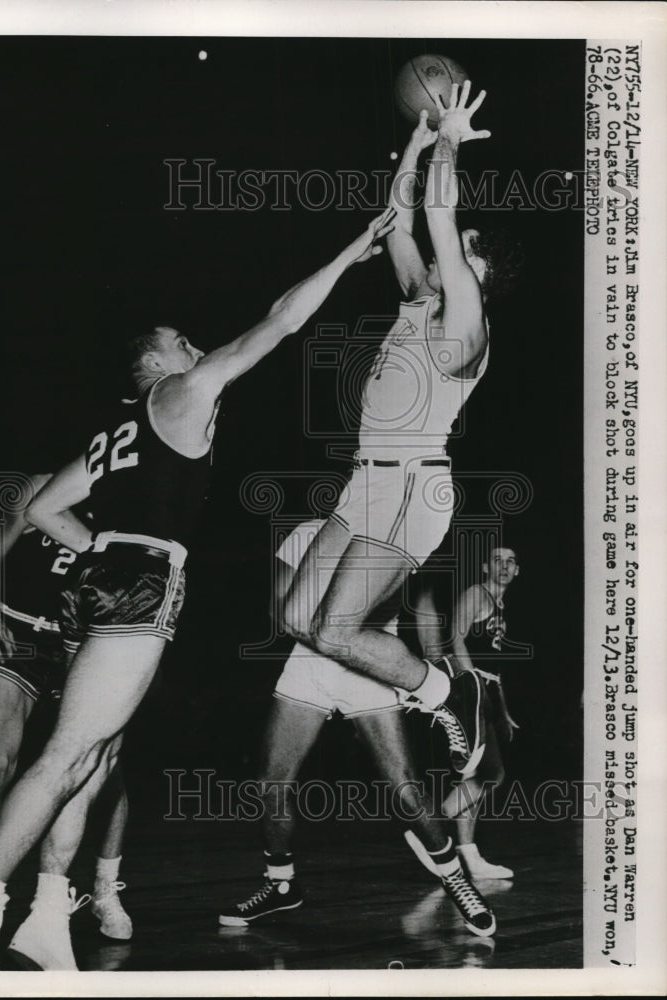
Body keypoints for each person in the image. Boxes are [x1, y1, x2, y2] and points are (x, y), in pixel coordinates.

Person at [0, 207, 396, 970]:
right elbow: (277, 324)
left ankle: (46, 914)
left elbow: (43, 508)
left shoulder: (116, 433)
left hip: (107, 582)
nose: (198, 348)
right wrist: (349, 257)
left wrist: (102, 549)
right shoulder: (180, 394)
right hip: (135, 585)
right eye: (183, 343)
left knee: (98, 755)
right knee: (70, 752)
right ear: (156, 363)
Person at [282, 82, 523, 777]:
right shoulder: (422, 298)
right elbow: (400, 221)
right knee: (299, 621)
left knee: (335, 629)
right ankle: (444, 691)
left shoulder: (465, 321)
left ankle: (453, 693)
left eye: (464, 248)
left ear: (478, 271)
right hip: (363, 484)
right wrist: (416, 148)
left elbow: (442, 213)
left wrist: (449, 133)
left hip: (410, 491)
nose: (453, 247)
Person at [218, 518, 496, 937]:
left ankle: (455, 877)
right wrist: (335, 643)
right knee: (271, 783)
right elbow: (279, 605)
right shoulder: (309, 532)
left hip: (369, 669)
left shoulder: (396, 533)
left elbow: (423, 612)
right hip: (310, 664)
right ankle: (281, 882)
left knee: (405, 788)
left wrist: (430, 672)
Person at [0, 473, 133, 957]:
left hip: (81, 644)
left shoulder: (134, 492)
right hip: (18, 632)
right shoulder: (41, 482)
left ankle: (103, 889)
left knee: (105, 768)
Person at [441, 546, 522, 879]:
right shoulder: (477, 593)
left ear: (517, 571)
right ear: (486, 567)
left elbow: (495, 669)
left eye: (511, 562)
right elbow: (454, 639)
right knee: (493, 775)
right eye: (498, 561)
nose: (505, 566)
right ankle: (432, 819)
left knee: (474, 776)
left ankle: (469, 856)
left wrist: (502, 711)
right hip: (468, 689)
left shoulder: (500, 606)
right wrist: (471, 687)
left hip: (485, 689)